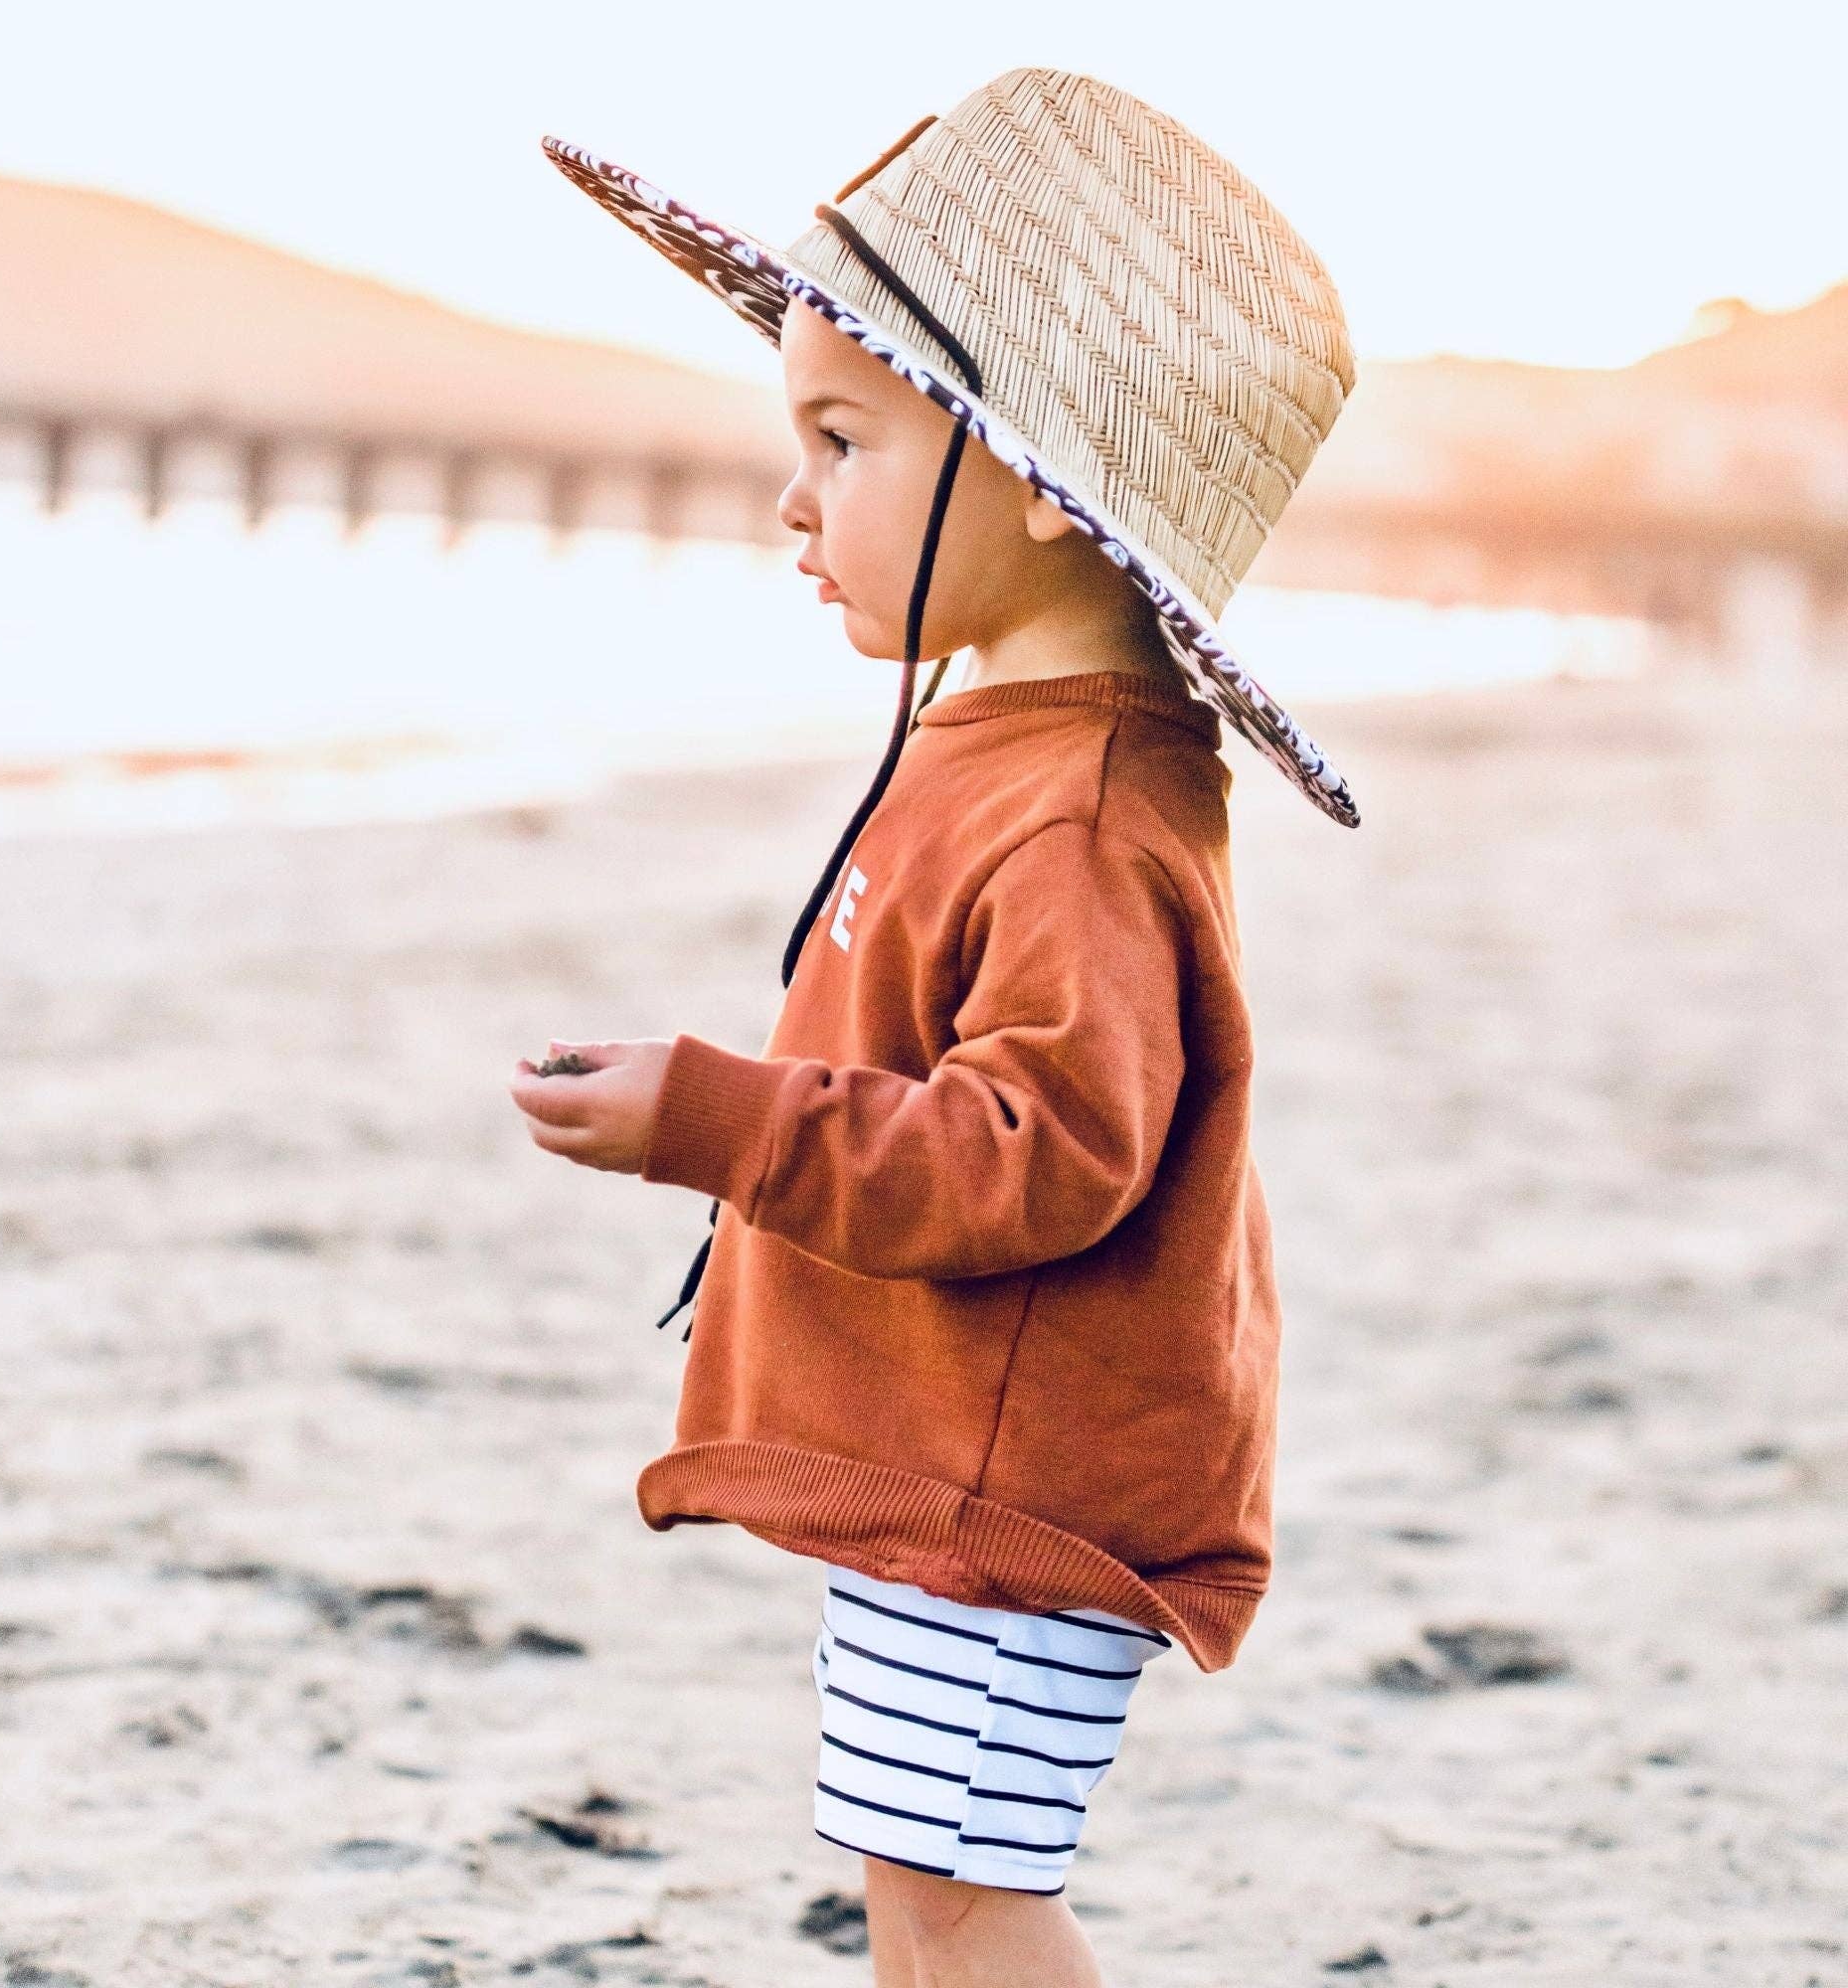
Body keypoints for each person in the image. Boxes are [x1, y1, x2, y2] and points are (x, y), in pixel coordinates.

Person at [511, 68, 1359, 1987]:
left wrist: (713, 1124)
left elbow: (1036, 1154)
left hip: (1023, 1475)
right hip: (966, 1459)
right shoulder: (1011, 750)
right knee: (927, 1893)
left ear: (1042, 480)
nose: (792, 498)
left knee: (969, 1903)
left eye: (844, 437)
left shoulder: (1079, 814)